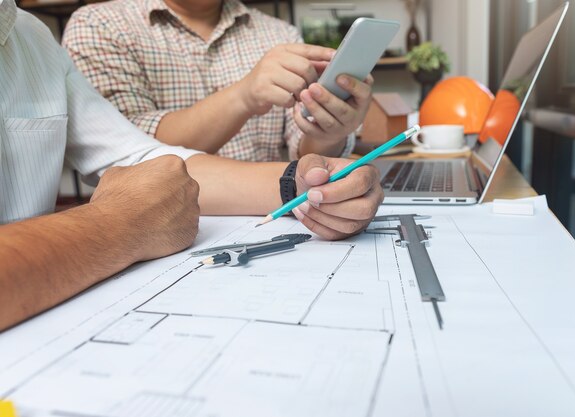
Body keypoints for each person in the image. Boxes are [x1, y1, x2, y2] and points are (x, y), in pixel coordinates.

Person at [0, 0, 383, 331]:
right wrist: (119, 222)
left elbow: (142, 157)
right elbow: (145, 167)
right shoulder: (99, 24)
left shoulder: (30, 34)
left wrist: (300, 181)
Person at [62, 0, 373, 161]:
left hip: (270, 217)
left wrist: (329, 130)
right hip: (151, 235)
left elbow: (306, 152)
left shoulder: (280, 33)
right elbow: (124, 153)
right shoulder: (98, 25)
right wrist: (243, 97)